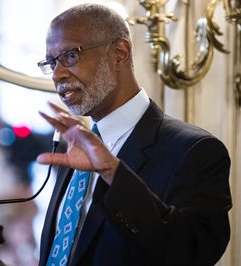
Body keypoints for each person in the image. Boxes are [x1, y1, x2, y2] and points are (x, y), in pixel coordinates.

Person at [35, 3, 232, 266]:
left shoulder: (195, 151)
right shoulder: (72, 148)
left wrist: (113, 172)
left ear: (119, 53)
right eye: (51, 62)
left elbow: (192, 253)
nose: (57, 74)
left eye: (71, 55)